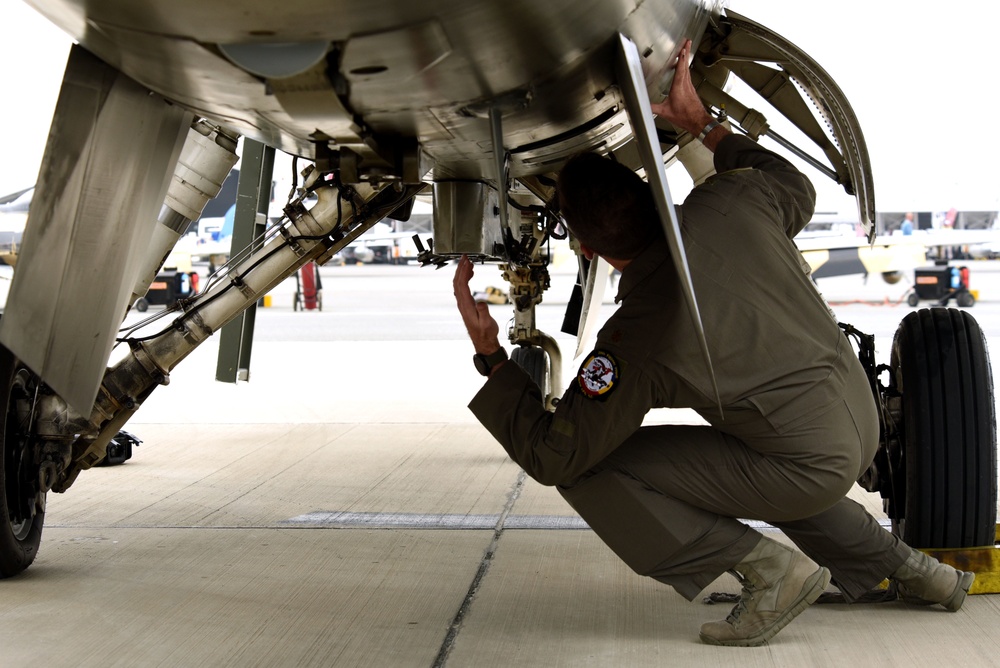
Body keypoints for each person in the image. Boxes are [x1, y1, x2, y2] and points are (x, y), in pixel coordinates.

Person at [452, 39, 974, 647]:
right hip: (858, 421)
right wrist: (703, 125)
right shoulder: (733, 199)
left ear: (587, 248)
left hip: (807, 461)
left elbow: (554, 456)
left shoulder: (641, 333)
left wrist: (491, 356)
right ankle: (916, 573)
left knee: (594, 467)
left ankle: (769, 572)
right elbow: (792, 184)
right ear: (651, 196)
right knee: (764, 450)